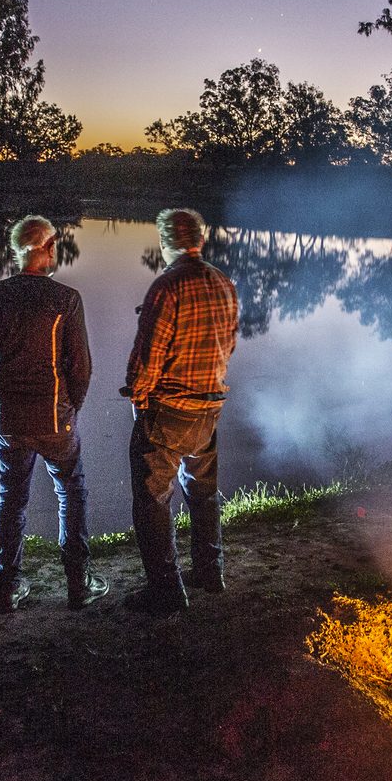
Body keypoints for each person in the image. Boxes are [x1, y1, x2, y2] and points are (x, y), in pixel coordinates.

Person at [0, 215, 103, 611]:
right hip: (55, 419)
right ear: (47, 247)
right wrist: (70, 408)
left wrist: (1, 373)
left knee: (11, 498)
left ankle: (8, 588)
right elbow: (81, 368)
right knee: (71, 492)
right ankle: (77, 583)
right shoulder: (65, 299)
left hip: (8, 420)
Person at [120, 207, 239, 614]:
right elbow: (229, 346)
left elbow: (146, 362)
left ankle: (166, 590)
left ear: (165, 242)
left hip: (170, 408)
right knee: (203, 493)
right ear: (200, 240)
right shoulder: (224, 283)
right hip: (210, 407)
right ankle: (211, 572)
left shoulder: (166, 287)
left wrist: (138, 398)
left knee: (152, 499)